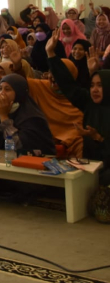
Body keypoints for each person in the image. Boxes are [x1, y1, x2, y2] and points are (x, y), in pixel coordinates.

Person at [47, 30, 110, 185]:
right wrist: (51, 54)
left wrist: (98, 138)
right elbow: (68, 85)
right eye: (92, 85)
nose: (94, 89)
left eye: (100, 86)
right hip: (90, 165)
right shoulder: (89, 102)